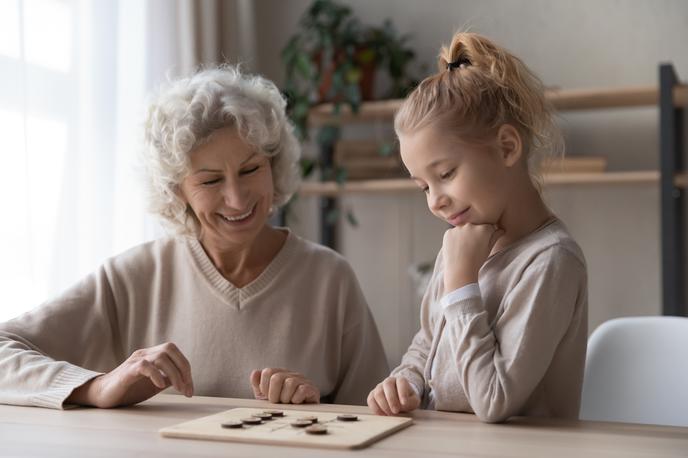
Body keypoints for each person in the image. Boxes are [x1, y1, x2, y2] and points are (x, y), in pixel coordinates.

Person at [0, 65, 389, 409]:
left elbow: (379, 420)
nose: (237, 198)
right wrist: (98, 387)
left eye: (251, 169)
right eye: (210, 180)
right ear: (176, 190)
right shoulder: (134, 277)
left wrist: (317, 409)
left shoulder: (330, 279)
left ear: (274, 164)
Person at [367, 32, 588, 423]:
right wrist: (405, 381)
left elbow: (494, 401)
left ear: (507, 147)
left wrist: (462, 284)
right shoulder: (464, 242)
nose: (435, 200)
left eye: (446, 173)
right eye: (423, 186)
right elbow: (428, 344)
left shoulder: (550, 261)